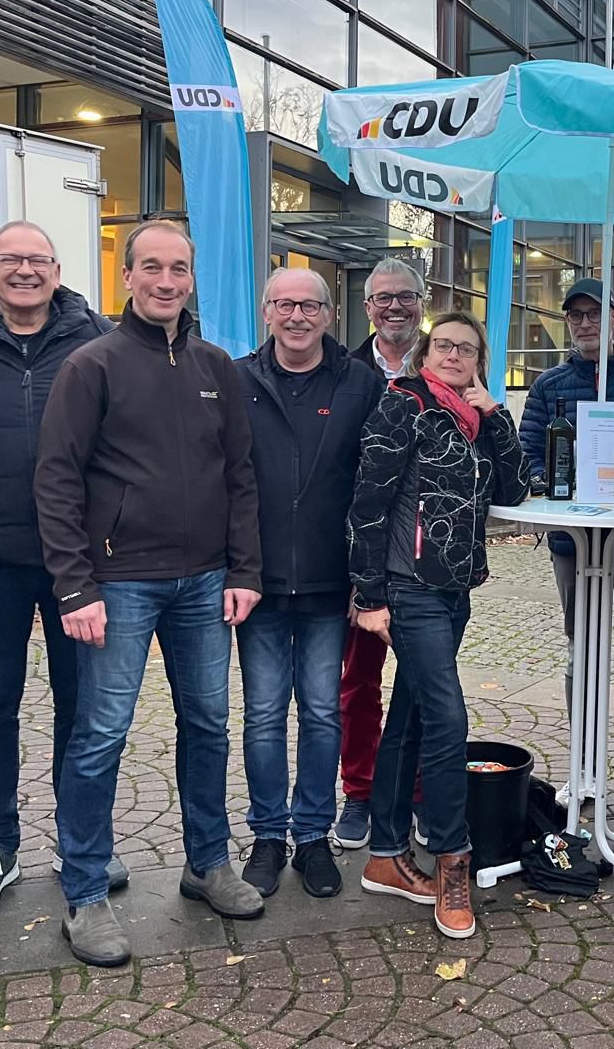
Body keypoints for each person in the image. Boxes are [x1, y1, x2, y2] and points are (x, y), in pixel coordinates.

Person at [35, 220, 264, 967]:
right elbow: (57, 478)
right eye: (153, 268)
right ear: (127, 276)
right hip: (118, 582)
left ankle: (207, 862)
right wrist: (74, 586)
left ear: (191, 278)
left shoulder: (216, 366)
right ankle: (86, 890)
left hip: (205, 584)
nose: (167, 281)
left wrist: (244, 569)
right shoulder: (91, 364)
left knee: (208, 723)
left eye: (180, 269)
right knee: (100, 735)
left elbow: (240, 476)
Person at [0, 221, 120, 916]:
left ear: (57, 268)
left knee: (83, 708)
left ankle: (81, 843)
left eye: (37, 259)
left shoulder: (95, 335)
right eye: (10, 259)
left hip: (75, 561)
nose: (24, 270)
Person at [348, 311, 530, 940]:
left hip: (455, 591)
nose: (455, 354)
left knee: (414, 715)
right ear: (427, 351)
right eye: (445, 345)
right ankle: (454, 860)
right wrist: (368, 595)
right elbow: (367, 503)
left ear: (480, 358)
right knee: (448, 718)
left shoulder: (475, 419)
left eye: (468, 347)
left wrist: (499, 416)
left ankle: (386, 853)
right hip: (409, 587)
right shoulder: (404, 405)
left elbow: (518, 486)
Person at [234, 268, 381, 901]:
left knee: (323, 713)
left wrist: (366, 579)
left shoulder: (361, 384)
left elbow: (376, 486)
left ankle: (315, 835)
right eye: (284, 304)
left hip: (329, 583)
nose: (297, 315)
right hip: (257, 582)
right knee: (264, 716)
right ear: (266, 312)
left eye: (310, 304)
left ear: (329, 314)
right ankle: (269, 835)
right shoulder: (235, 380)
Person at [518, 277, 614, 712]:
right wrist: (556, 486)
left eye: (595, 313)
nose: (585, 323)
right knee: (582, 646)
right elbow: (529, 454)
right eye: (576, 315)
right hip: (573, 539)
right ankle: (582, 759)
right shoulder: (548, 385)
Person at [337, 257, 430, 849]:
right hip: (362, 552)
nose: (395, 307)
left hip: (425, 556)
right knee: (357, 680)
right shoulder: (343, 373)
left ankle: (417, 789)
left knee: (425, 680)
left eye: (406, 296)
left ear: (423, 301)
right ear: (367, 307)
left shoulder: (446, 363)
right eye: (382, 298)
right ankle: (361, 792)